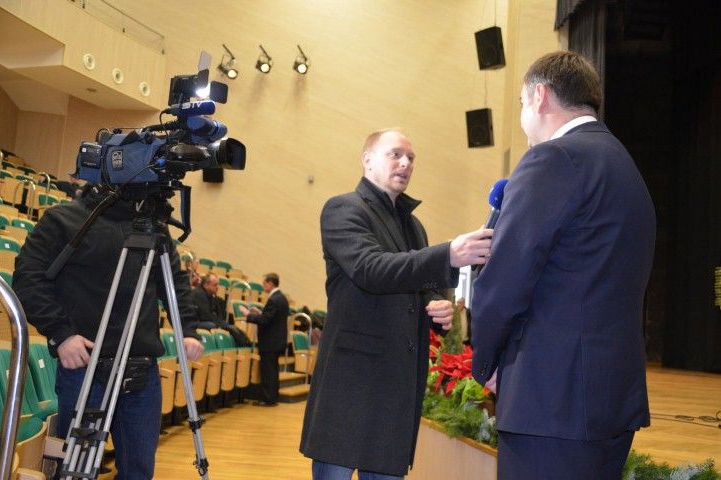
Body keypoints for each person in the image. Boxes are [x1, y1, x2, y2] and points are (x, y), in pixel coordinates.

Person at [470, 51, 656, 480]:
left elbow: (504, 281)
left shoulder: (553, 159)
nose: (523, 118)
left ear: (540, 96)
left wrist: (488, 362)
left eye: (521, 103)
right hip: (610, 397)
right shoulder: (624, 165)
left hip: (550, 400)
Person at [300, 128, 493, 479]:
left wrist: (437, 308)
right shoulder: (343, 208)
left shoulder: (413, 226)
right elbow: (370, 269)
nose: (405, 163)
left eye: (411, 158)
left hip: (395, 388)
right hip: (351, 384)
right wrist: (448, 254)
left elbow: (420, 287)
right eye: (395, 154)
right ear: (367, 160)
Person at [12, 184, 204, 480]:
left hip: (141, 369)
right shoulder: (63, 219)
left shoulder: (152, 226)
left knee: (139, 471)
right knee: (76, 470)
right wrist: (60, 334)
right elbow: (28, 276)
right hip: (85, 366)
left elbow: (174, 282)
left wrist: (188, 328)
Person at [239, 272, 289, 406]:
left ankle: (267, 399)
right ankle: (272, 397)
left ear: (270, 283)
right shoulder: (282, 298)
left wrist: (248, 314)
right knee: (273, 371)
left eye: (264, 283)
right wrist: (260, 313)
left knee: (268, 372)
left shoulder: (274, 299)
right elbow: (271, 318)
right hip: (277, 341)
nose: (263, 286)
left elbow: (265, 321)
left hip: (270, 342)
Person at [193, 273, 250, 347]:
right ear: (206, 285)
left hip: (210, 320)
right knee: (214, 325)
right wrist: (219, 324)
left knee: (231, 327)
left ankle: (245, 343)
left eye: (218, 285)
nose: (218, 287)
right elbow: (205, 315)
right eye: (215, 285)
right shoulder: (198, 294)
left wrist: (220, 322)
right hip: (197, 321)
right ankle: (243, 345)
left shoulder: (212, 295)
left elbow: (219, 313)